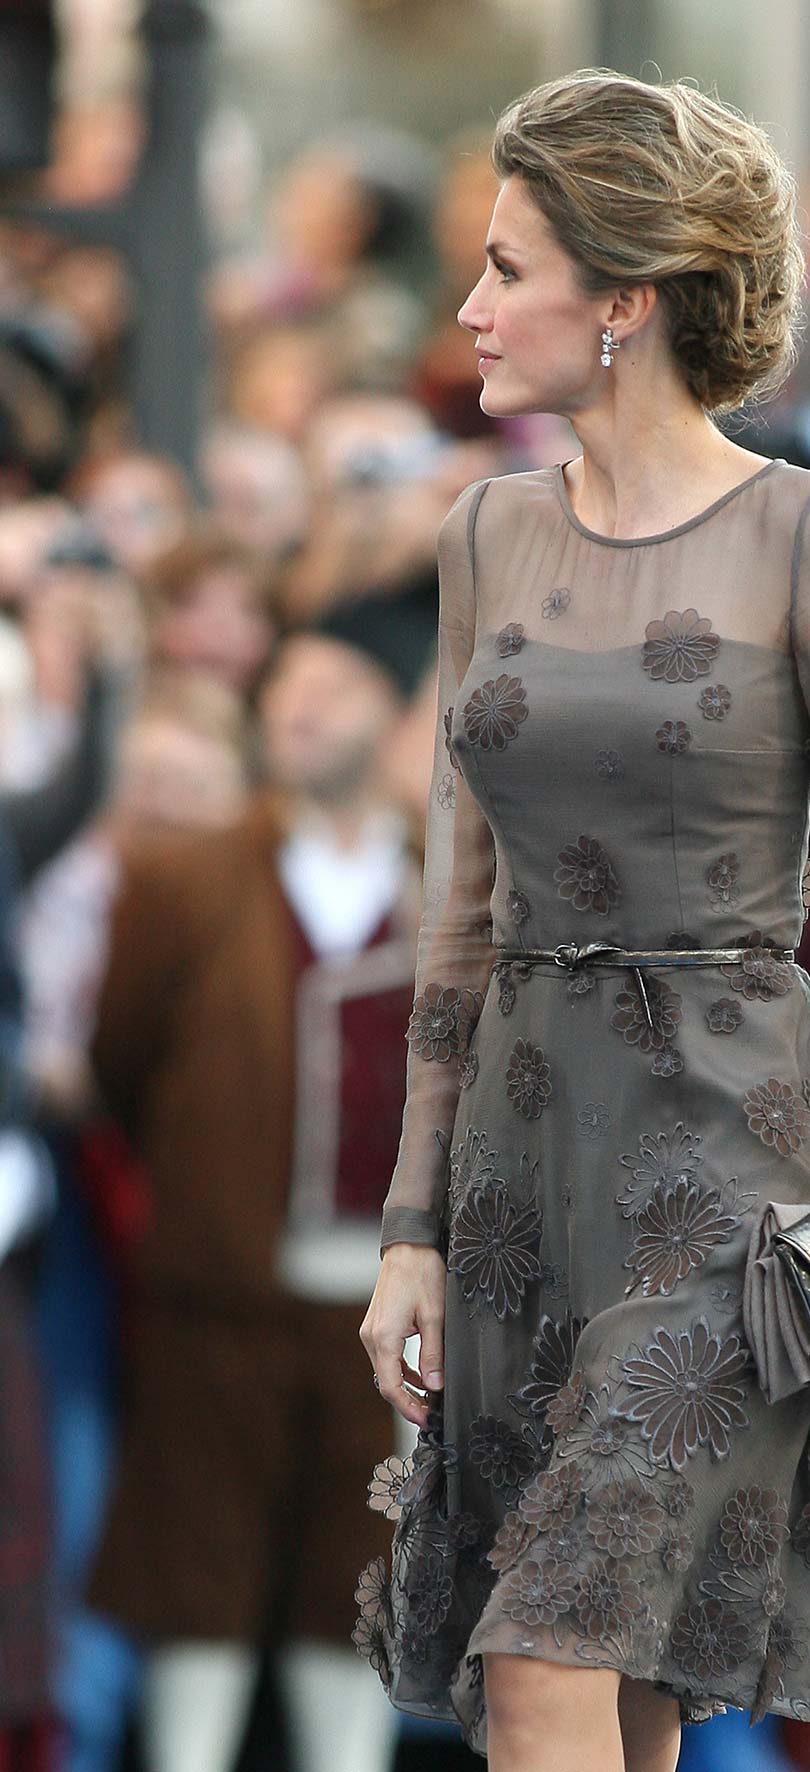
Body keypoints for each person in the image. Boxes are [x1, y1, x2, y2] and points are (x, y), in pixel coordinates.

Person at [357, 69, 810, 1772]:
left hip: (731, 1162)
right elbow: (459, 915)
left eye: (509, 267)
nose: (471, 307)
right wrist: (412, 1227)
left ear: (626, 299)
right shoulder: (486, 535)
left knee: (547, 1650)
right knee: (619, 1693)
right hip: (522, 1158)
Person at [82, 592, 437, 1772]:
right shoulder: (188, 880)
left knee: (358, 1583)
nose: (298, 708)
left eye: (333, 691)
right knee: (199, 1587)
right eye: (286, 685)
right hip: (217, 1301)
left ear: (396, 720)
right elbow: (116, 1065)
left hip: (382, 1314)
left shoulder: (448, 893)